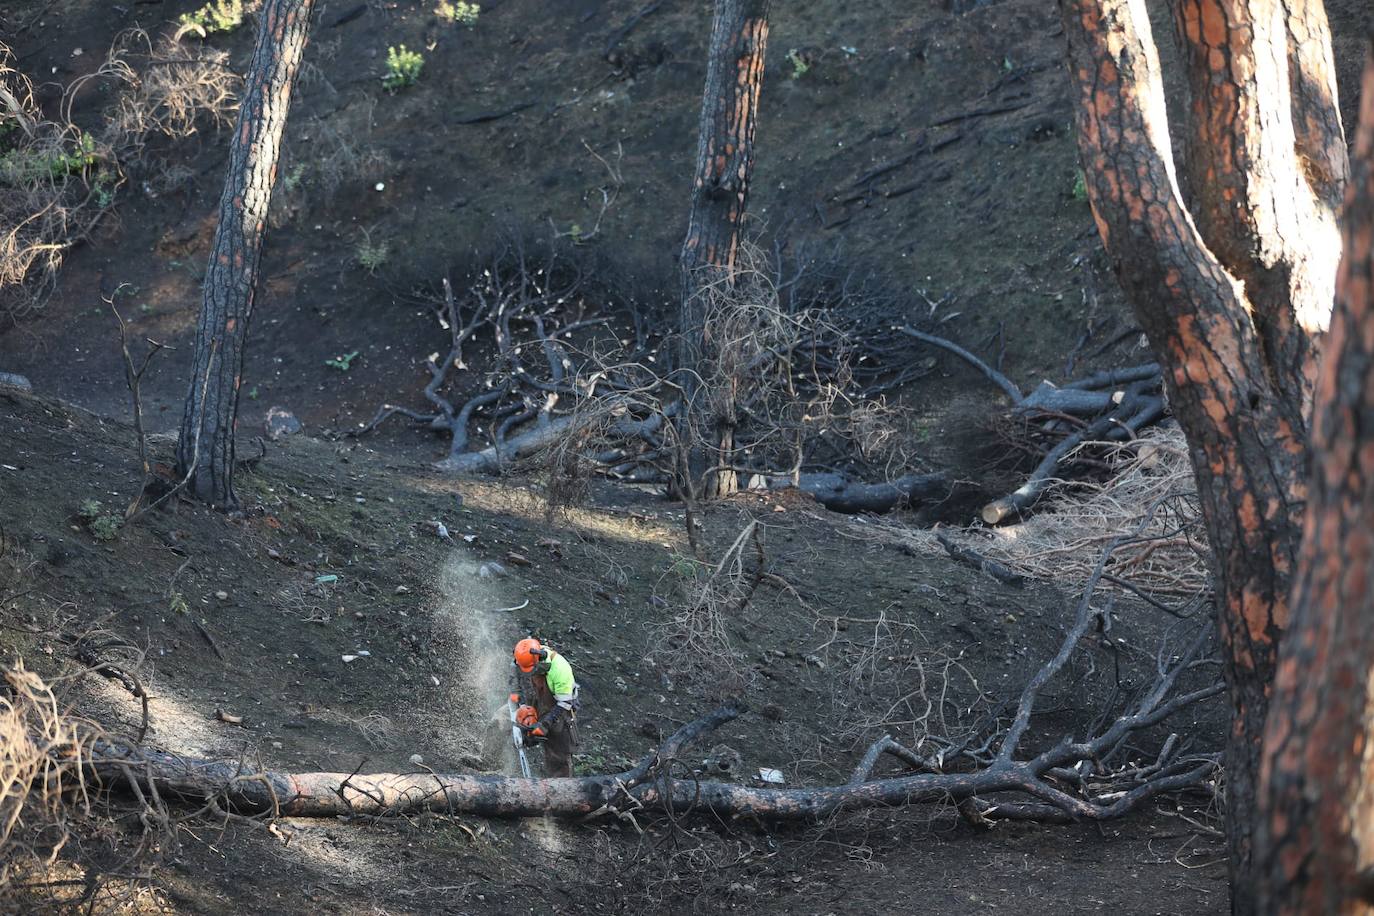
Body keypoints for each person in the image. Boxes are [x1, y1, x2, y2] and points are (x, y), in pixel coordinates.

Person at [512, 637, 579, 777]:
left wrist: (545, 724)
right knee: (501, 720)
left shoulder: (560, 669)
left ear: (539, 658)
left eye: (532, 669)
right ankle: (487, 762)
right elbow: (515, 673)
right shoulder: (523, 657)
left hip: (560, 707)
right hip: (536, 698)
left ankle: (561, 789)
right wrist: (519, 699)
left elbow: (565, 704)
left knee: (558, 754)